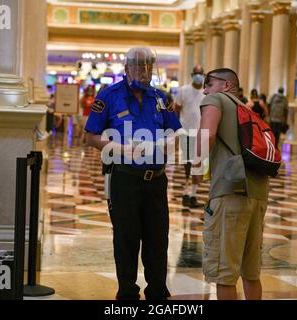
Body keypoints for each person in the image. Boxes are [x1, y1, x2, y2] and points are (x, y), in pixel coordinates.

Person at [84, 47, 182, 300]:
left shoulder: (161, 98)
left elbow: (176, 133)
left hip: (157, 179)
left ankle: (158, 290)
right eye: (139, 66)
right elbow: (91, 136)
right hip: (124, 178)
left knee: (158, 238)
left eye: (149, 66)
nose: (145, 71)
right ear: (127, 68)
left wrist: (170, 143)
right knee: (126, 238)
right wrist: (122, 149)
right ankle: (127, 291)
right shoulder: (109, 96)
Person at [191, 68, 269, 300]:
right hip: (257, 193)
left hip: (230, 193)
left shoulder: (215, 100)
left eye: (209, 83)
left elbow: (207, 135)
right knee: (251, 273)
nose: (204, 89)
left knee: (224, 273)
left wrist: (194, 156)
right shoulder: (248, 110)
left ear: (226, 85)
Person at [174, 65, 205, 208]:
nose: (198, 76)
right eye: (196, 73)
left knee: (198, 165)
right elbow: (176, 111)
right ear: (192, 75)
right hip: (186, 133)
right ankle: (187, 193)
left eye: (201, 74)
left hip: (201, 134)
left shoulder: (206, 93)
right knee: (188, 165)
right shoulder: (183, 91)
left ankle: (192, 195)